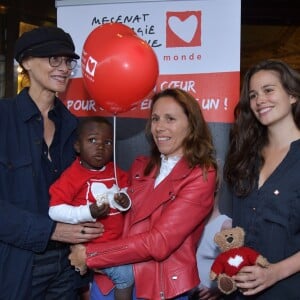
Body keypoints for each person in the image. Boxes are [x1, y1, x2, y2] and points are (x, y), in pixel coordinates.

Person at [69, 87, 218, 300]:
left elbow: (159, 242)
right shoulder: (141, 166)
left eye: (170, 119)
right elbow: (116, 220)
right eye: (156, 119)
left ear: (191, 125)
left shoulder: (201, 175)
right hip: (110, 280)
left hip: (160, 286)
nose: (159, 127)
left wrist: (91, 255)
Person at [0, 26, 103, 299]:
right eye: (53, 59)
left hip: (68, 267)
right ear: (26, 63)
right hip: (15, 264)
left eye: (68, 61)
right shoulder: (4, 118)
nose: (64, 68)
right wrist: (52, 230)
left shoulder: (74, 126)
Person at [223, 59, 300, 299]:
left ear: (293, 96)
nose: (259, 101)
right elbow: (231, 225)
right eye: (253, 95)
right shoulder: (244, 155)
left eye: (269, 90)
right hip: (238, 290)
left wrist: (275, 272)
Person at [49, 116, 134, 300]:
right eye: (92, 140)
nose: (101, 147)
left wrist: (125, 200)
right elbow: (54, 210)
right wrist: (88, 212)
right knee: (125, 274)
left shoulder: (115, 171)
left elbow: (127, 192)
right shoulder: (72, 175)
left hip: (119, 244)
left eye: (108, 142)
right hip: (91, 247)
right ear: (77, 146)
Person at [191, 162, 232, 300]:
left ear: (214, 187)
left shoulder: (225, 226)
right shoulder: (191, 226)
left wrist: (219, 289)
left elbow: (237, 270)